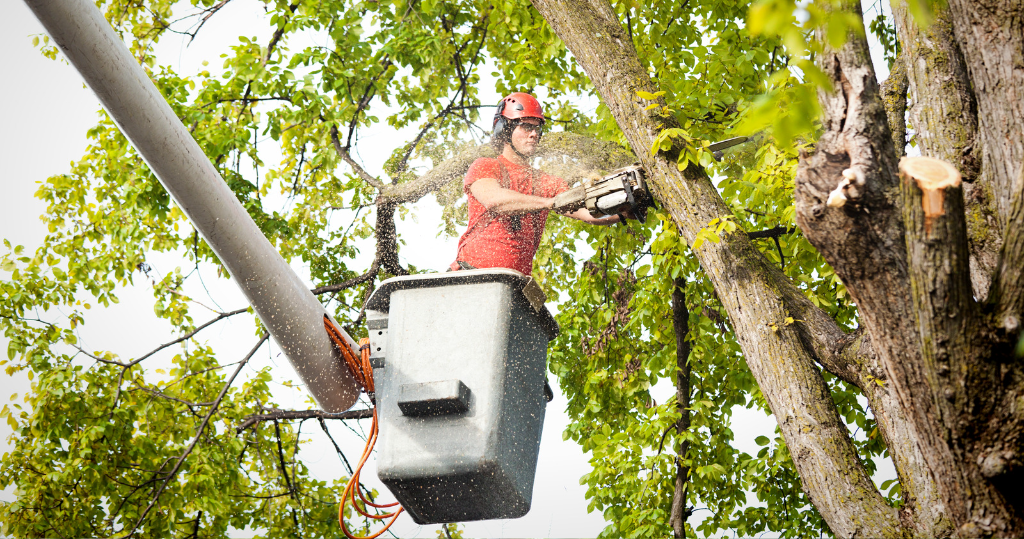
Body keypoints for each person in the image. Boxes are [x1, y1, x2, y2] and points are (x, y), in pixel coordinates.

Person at [449, 92, 623, 274]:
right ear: (505, 129)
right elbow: (495, 200)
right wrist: (549, 203)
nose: (533, 134)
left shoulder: (547, 182)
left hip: (514, 284)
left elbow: (588, 213)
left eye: (537, 128)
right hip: (471, 275)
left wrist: (624, 212)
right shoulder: (486, 166)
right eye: (525, 127)